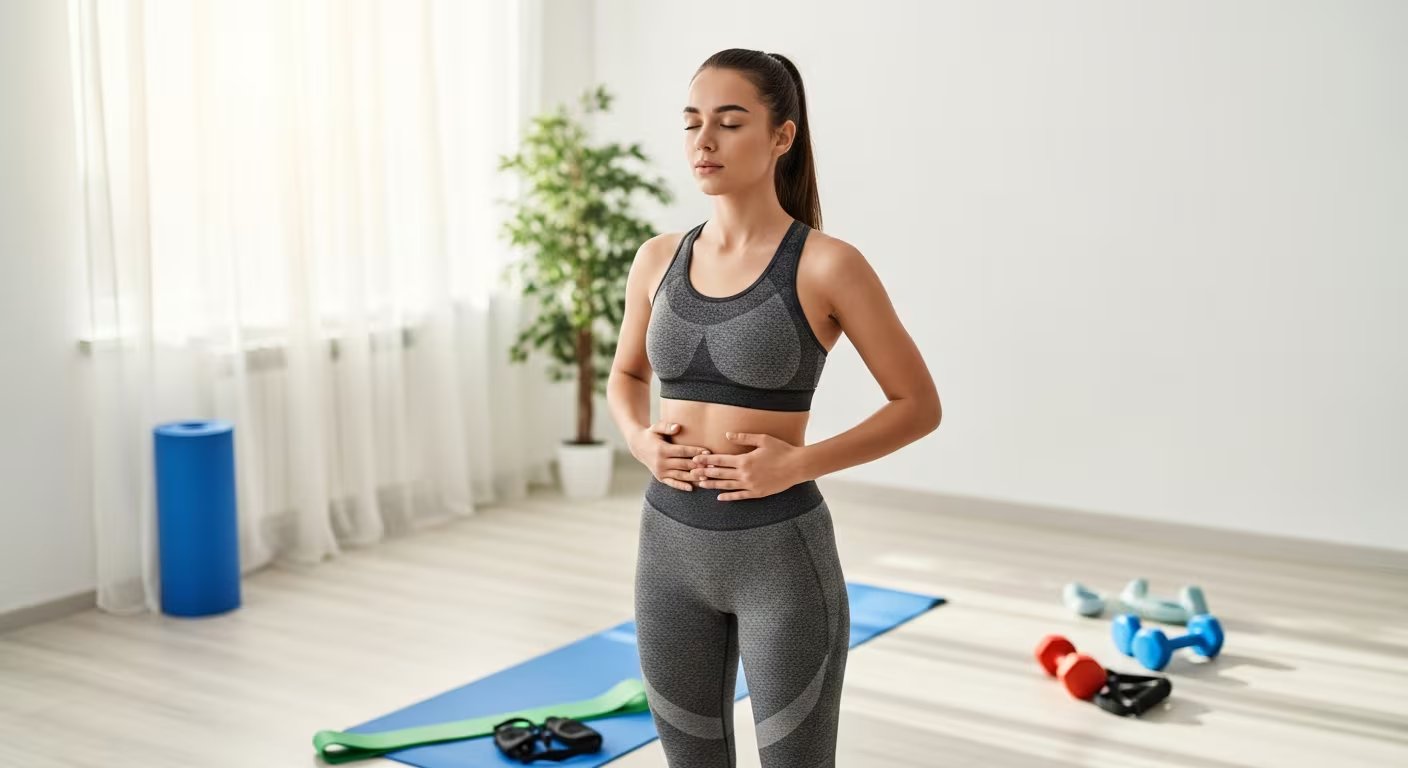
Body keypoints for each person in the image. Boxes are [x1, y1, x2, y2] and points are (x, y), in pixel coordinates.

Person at [606, 48, 942, 768]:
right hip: (667, 549)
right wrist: (638, 439)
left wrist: (799, 463)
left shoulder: (827, 264)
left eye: (729, 123)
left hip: (778, 560)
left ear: (781, 137)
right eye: (693, 122)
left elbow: (917, 405)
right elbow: (626, 375)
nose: (704, 141)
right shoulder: (657, 258)